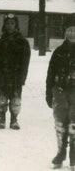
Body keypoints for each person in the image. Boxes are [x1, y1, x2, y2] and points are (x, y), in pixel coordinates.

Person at [0, 14, 30, 130]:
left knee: (15, 98)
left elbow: (25, 62)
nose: (9, 26)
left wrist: (22, 77)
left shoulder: (22, 42)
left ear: (16, 26)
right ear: (4, 25)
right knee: (1, 98)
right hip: (2, 75)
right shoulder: (0, 42)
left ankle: (14, 120)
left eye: (12, 23)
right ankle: (2, 119)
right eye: (7, 23)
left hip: (16, 76)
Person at [46, 13, 75, 169]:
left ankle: (74, 156)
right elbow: (50, 74)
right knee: (60, 125)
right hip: (59, 93)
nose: (71, 33)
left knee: (74, 125)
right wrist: (48, 93)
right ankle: (60, 152)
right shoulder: (58, 52)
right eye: (69, 30)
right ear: (65, 31)